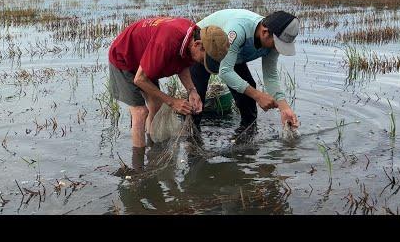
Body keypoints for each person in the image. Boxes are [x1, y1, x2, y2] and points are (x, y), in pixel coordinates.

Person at [108, 16, 228, 151]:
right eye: (203, 59)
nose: (201, 62)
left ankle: (152, 147)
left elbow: (183, 64)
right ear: (197, 45)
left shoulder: (192, 37)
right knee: (140, 112)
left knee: (156, 106)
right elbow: (140, 79)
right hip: (124, 57)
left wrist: (192, 90)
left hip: (146, 58)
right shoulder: (166, 43)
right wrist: (172, 102)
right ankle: (138, 166)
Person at [190, 9, 300, 138]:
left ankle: (245, 139)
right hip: (205, 47)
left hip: (233, 54)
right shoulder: (238, 30)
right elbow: (225, 72)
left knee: (248, 95)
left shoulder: (274, 40)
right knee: (197, 98)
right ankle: (192, 139)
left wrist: (284, 108)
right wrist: (258, 96)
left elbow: (270, 76)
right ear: (265, 32)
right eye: (277, 45)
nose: (277, 49)